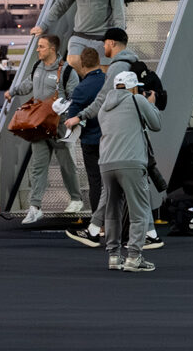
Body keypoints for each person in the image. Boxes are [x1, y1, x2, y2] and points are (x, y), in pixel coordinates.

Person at [65, 28, 160, 251]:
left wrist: (80, 116)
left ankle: (147, 237)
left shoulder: (116, 75)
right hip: (131, 145)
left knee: (128, 193)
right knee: (120, 192)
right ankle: (94, 231)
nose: (104, 48)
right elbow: (155, 123)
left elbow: (101, 99)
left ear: (111, 43)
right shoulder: (135, 65)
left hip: (118, 148)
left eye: (105, 43)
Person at [9, 33, 83, 224]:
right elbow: (28, 85)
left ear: (52, 49)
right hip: (39, 125)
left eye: (41, 46)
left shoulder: (67, 71)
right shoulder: (37, 67)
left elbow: (76, 97)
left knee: (67, 165)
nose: (37, 49)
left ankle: (76, 199)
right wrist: (13, 91)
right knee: (38, 167)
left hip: (59, 125)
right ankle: (35, 207)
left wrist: (66, 108)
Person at [97, 70, 162, 271]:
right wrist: (149, 102)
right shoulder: (137, 100)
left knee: (112, 210)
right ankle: (134, 257)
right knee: (139, 211)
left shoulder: (103, 108)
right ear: (134, 87)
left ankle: (114, 256)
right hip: (131, 163)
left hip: (107, 163)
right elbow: (156, 125)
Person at [62, 48, 106, 228]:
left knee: (95, 183)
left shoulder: (81, 88)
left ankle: (99, 224)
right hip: (110, 140)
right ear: (98, 61)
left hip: (90, 141)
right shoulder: (108, 82)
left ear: (82, 64)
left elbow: (72, 118)